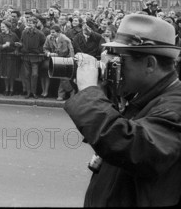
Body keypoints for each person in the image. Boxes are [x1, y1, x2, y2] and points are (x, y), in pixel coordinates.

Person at [64, 14, 181, 206]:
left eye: (120, 59)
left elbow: (130, 146)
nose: (113, 64)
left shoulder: (176, 106)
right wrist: (105, 90)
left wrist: (88, 91)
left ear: (150, 64)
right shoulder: (143, 98)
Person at [43, 25, 74, 100]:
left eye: (53, 32)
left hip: (65, 59)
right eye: (51, 32)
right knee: (62, 76)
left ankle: (64, 94)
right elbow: (45, 48)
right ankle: (69, 92)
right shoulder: (48, 38)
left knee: (62, 77)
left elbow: (71, 49)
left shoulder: (65, 39)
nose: (51, 34)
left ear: (59, 32)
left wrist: (71, 59)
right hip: (54, 60)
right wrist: (49, 54)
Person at [18, 16, 46, 99]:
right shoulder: (24, 32)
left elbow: (44, 45)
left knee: (34, 75)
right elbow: (21, 41)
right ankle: (28, 92)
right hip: (26, 56)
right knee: (26, 75)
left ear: (35, 24)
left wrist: (37, 50)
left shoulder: (40, 33)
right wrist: (22, 47)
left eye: (31, 22)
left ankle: (34, 92)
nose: (29, 24)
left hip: (35, 57)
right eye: (28, 22)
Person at [0, 21, 20, 96]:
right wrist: (4, 46)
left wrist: (17, 49)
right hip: (4, 56)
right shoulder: (0, 35)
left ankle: (11, 89)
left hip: (12, 57)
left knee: (11, 74)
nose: (2, 28)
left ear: (8, 27)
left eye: (3, 26)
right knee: (5, 74)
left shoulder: (13, 35)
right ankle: (6, 89)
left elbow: (18, 43)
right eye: (1, 26)